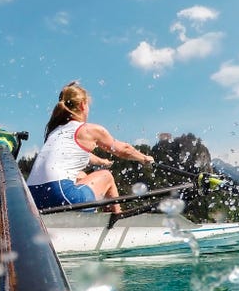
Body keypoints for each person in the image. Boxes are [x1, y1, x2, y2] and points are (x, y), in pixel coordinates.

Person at [26, 81, 154, 213]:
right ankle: (117, 220)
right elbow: (124, 150)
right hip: (61, 197)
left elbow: (82, 155)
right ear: (82, 105)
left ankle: (105, 215)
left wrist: (102, 161)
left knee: (81, 175)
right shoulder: (88, 130)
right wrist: (144, 158)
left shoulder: (55, 132)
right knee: (107, 176)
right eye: (88, 105)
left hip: (31, 199)